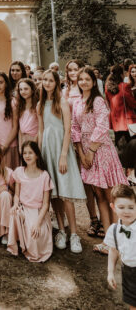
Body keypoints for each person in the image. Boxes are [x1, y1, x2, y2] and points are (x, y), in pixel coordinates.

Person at [71, 66, 127, 254]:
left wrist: (91, 151)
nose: (84, 82)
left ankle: (119, 239)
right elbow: (74, 128)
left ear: (94, 82)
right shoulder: (78, 102)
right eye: (81, 79)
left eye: (87, 79)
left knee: (110, 195)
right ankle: (108, 239)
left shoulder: (97, 101)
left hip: (101, 151)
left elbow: (103, 126)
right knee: (99, 197)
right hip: (86, 151)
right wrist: (81, 151)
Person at [38, 69, 86, 254]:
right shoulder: (40, 104)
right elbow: (41, 130)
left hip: (61, 149)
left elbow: (67, 130)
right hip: (47, 150)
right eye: (44, 80)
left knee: (65, 192)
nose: (47, 83)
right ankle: (62, 230)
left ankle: (74, 234)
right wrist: (40, 154)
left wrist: (64, 154)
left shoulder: (62, 103)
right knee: (54, 193)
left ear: (56, 83)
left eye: (50, 80)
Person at [7, 141, 53, 262]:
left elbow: (46, 204)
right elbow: (16, 194)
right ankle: (15, 243)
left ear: (37, 155)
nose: (27, 156)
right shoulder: (19, 171)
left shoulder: (44, 176)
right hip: (23, 208)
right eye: (25, 153)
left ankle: (29, 242)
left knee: (35, 238)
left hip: (38, 212)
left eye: (30, 153)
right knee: (14, 213)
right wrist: (15, 204)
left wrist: (38, 223)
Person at [105, 184, 136, 310]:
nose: (126, 211)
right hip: (128, 272)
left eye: (131, 207)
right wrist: (110, 272)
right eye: (121, 207)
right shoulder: (113, 230)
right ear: (113, 207)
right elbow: (113, 251)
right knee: (133, 304)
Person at [105, 64, 136, 163]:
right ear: (122, 74)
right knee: (132, 147)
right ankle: (131, 170)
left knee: (121, 148)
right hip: (128, 122)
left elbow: (109, 104)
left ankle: (123, 169)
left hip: (116, 122)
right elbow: (132, 103)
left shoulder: (107, 87)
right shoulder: (124, 86)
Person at [17, 78, 39, 149]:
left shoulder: (37, 105)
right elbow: (20, 129)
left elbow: (41, 127)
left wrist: (34, 143)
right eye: (21, 89)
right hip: (23, 139)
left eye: (26, 89)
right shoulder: (20, 106)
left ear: (32, 90)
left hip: (34, 138)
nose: (23, 92)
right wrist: (20, 146)